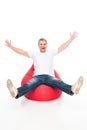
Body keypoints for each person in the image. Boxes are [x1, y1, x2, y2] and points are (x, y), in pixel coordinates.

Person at [5, 32, 83, 99]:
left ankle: (72, 89)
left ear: (46, 45)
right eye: (41, 44)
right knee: (29, 84)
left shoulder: (51, 52)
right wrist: (11, 47)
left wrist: (71, 39)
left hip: (49, 77)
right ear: (38, 45)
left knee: (59, 82)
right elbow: (22, 52)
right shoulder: (34, 53)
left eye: (44, 44)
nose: (43, 45)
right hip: (37, 77)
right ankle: (16, 92)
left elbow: (62, 47)